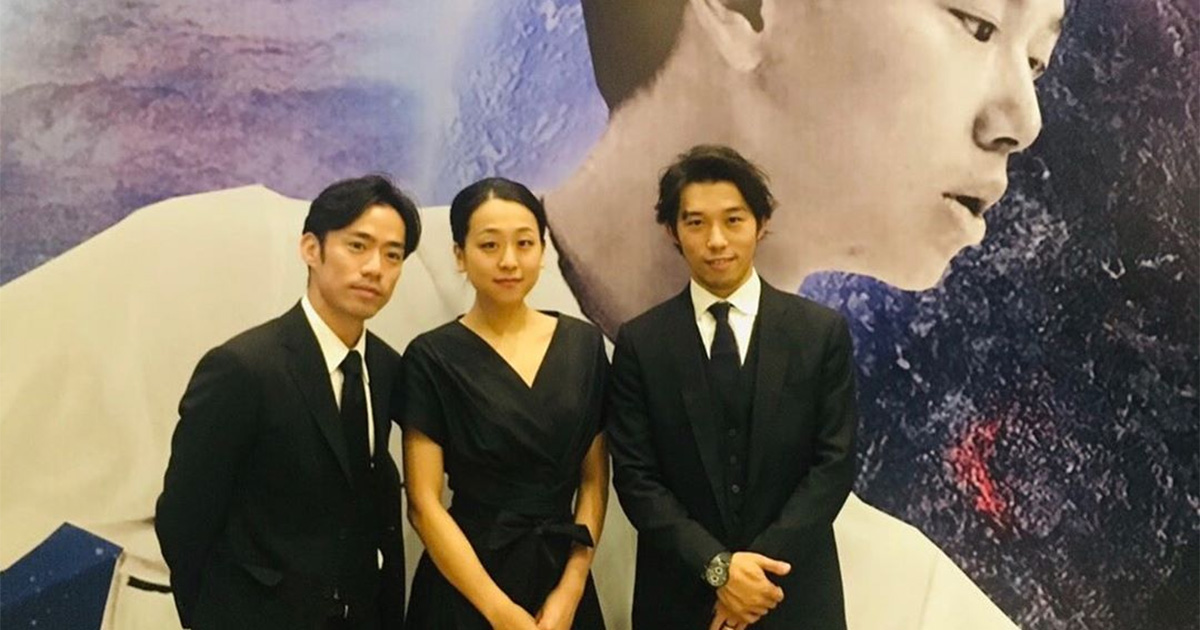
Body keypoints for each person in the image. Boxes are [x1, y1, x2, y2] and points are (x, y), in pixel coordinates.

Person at [154, 174, 421, 630]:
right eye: (358, 246)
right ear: (311, 249)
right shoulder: (242, 368)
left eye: (392, 255)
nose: (375, 268)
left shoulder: (386, 367)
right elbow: (183, 519)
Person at [607, 145, 855, 630]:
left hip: (792, 594)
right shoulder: (641, 343)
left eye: (733, 220)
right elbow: (636, 478)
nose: (716, 240)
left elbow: (833, 465)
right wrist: (718, 569)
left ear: (761, 224)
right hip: (680, 599)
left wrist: (753, 577)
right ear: (672, 231)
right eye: (696, 223)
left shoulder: (818, 333)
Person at [402, 178, 610, 630]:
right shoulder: (431, 357)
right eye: (489, 245)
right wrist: (499, 612)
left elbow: (594, 480)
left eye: (524, 243)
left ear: (543, 248)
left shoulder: (584, 345)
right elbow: (422, 503)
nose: (509, 261)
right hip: (465, 585)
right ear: (460, 255)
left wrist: (571, 590)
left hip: (562, 582)